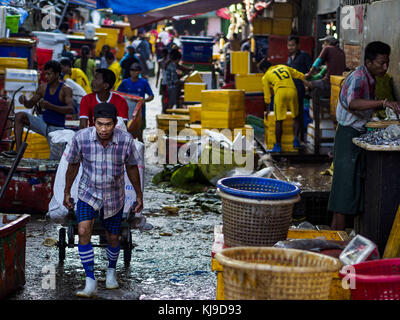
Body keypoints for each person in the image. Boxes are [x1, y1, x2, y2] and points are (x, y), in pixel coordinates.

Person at [64, 102, 143, 298]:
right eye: (100, 124)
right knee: (83, 230)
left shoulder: (125, 140)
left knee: (113, 238)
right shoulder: (81, 138)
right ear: (93, 122)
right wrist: (67, 192)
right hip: (88, 193)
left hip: (114, 195)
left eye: (108, 124)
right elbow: (73, 166)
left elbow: (132, 167)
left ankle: (110, 272)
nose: (104, 129)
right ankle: (90, 280)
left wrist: (139, 194)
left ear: (115, 123)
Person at [328, 41, 400, 231]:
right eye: (381, 63)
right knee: (343, 192)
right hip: (347, 136)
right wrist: (382, 103)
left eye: (387, 63)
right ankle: (338, 240)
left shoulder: (371, 77)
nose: (385, 67)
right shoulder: (359, 77)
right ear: (368, 62)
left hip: (355, 133)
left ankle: (344, 238)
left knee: (351, 190)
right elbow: (354, 103)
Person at [2, 60, 73, 159]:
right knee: (19, 116)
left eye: (49, 74)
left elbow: (70, 109)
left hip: (57, 130)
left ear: (57, 74)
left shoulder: (66, 89)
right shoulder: (43, 88)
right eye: (46, 74)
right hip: (43, 123)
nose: (46, 77)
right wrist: (24, 101)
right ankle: (18, 151)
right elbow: (30, 105)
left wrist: (51, 106)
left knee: (55, 162)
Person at [259, 57, 311, 153]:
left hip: (280, 92)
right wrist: (306, 79)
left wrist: (267, 110)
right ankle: (296, 141)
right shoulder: (283, 67)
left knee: (279, 120)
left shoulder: (266, 76)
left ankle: (278, 146)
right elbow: (298, 74)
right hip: (292, 90)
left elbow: (267, 96)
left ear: (264, 69)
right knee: (296, 117)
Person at [286, 35, 312, 141]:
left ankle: (300, 137)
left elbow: (310, 70)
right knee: (292, 111)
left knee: (298, 112)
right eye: (289, 45)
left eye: (292, 45)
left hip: (300, 87)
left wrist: (306, 82)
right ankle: (295, 136)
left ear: (298, 45)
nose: (290, 47)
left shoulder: (304, 56)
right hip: (290, 87)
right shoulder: (289, 57)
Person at [118, 62, 154, 130]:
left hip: (140, 112)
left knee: (140, 132)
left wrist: (144, 100)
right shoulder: (125, 82)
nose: (133, 72)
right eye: (132, 70)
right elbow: (117, 95)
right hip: (127, 112)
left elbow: (151, 96)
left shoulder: (144, 82)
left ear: (140, 71)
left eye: (135, 70)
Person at [156, 48, 169, 113]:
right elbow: (158, 72)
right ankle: (164, 108)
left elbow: (158, 72)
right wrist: (156, 82)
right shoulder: (160, 62)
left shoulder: (168, 61)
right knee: (164, 95)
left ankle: (165, 108)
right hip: (164, 81)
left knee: (165, 95)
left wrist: (157, 82)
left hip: (166, 81)